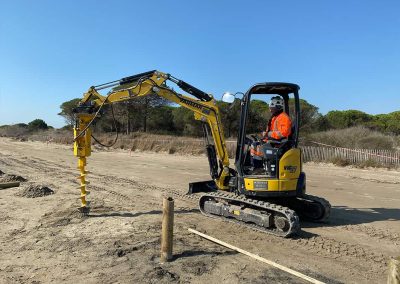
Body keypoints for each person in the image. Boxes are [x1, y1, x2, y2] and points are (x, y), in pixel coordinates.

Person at [250, 96, 292, 172]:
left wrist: (268, 134)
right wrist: (265, 135)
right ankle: (256, 166)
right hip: (273, 141)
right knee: (253, 143)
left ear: (277, 107)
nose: (269, 110)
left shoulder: (284, 117)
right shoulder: (275, 118)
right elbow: (271, 131)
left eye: (271, 108)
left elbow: (283, 133)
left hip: (279, 143)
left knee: (256, 146)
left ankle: (258, 167)